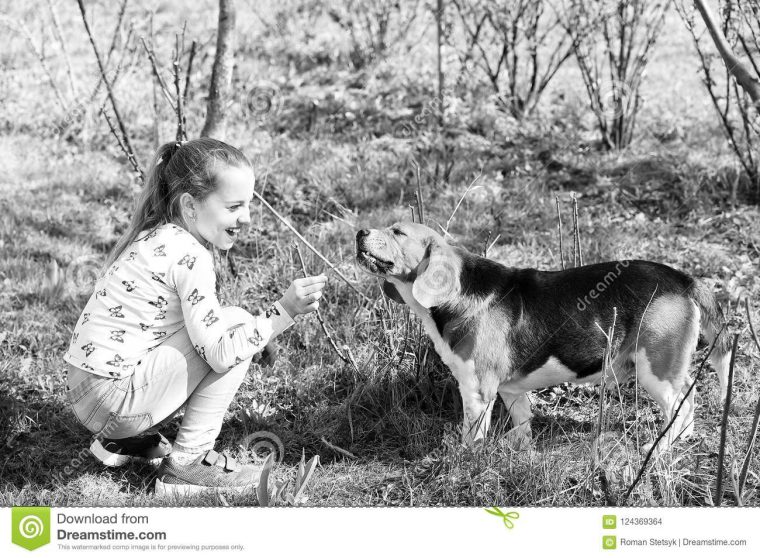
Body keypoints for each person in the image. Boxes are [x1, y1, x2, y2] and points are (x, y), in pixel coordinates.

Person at [63, 137, 326, 495]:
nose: (246, 218)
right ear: (190, 204)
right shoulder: (190, 254)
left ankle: (125, 439)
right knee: (234, 326)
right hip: (111, 402)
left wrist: (257, 332)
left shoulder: (152, 235)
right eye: (234, 206)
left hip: (86, 393)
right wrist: (281, 313)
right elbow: (219, 352)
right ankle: (186, 466)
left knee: (232, 321)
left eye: (247, 204)